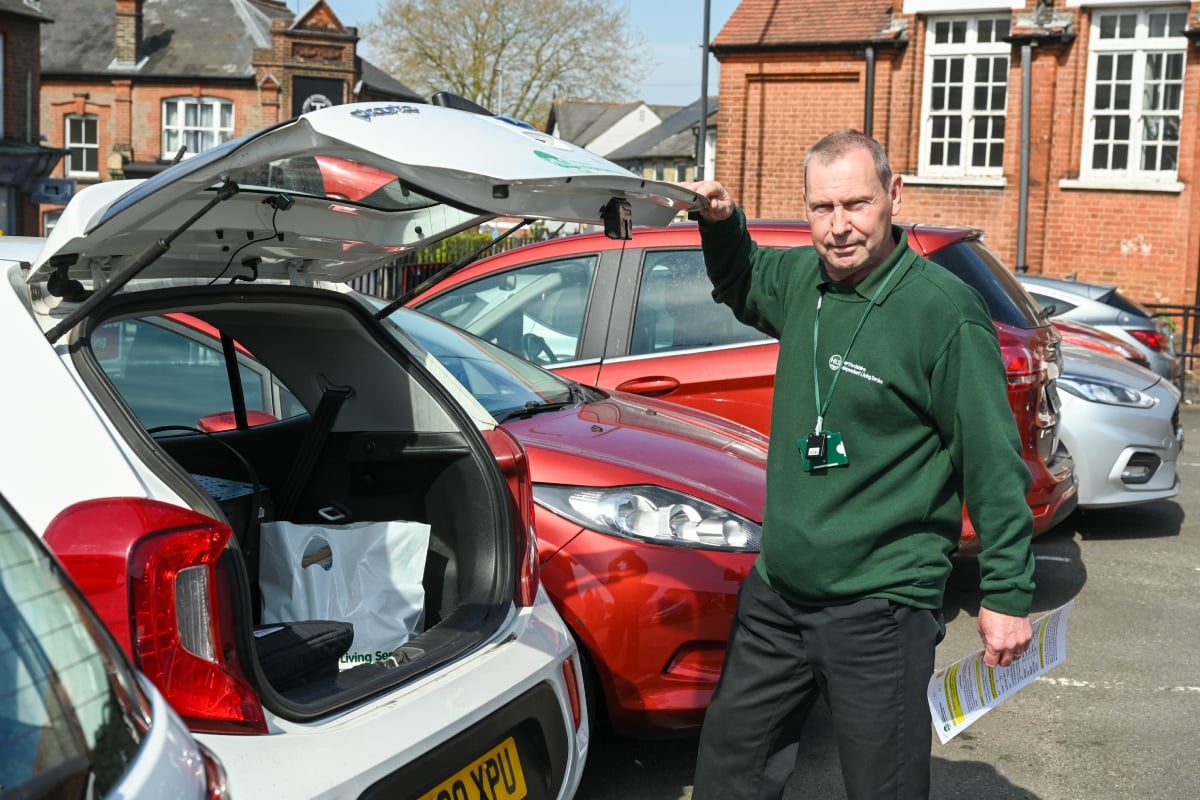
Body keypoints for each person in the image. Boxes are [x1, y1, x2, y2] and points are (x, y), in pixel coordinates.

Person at [681, 129, 1036, 800]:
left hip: (881, 604)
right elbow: (742, 278)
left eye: (857, 204)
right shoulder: (798, 280)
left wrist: (1007, 594)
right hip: (780, 593)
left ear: (893, 195)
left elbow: (992, 462)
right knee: (730, 772)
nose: (839, 227)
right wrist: (724, 224)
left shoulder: (944, 313)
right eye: (822, 208)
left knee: (884, 788)